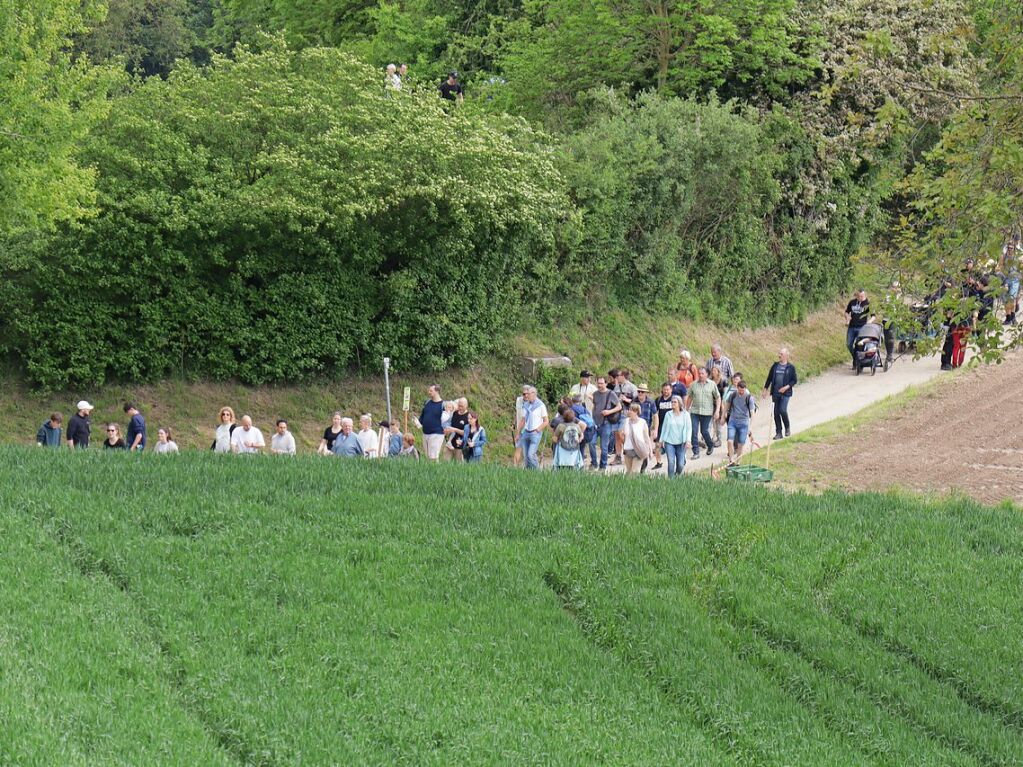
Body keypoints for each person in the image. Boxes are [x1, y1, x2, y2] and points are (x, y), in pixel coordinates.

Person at [763, 347, 797, 439]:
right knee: (776, 412)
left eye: (781, 354)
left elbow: (794, 380)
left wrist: (786, 387)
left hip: (785, 393)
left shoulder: (790, 367)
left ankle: (787, 427)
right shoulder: (775, 366)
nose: (779, 355)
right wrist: (765, 389)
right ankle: (778, 433)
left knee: (782, 410)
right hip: (775, 393)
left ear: (786, 355)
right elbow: (769, 378)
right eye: (779, 353)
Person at [686, 367, 720, 459]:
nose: (700, 375)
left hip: (707, 412)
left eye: (702, 373)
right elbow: (690, 397)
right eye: (699, 373)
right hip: (695, 412)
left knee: (704, 431)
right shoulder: (693, 385)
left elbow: (717, 397)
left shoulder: (712, 384)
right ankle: (696, 452)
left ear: (707, 375)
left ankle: (710, 444)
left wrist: (717, 410)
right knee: (694, 431)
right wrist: (686, 410)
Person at [591, 376, 621, 471]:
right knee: (591, 443)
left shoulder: (611, 394)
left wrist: (609, 412)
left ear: (606, 384)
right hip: (595, 423)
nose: (599, 385)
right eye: (598, 383)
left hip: (606, 423)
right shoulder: (595, 394)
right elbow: (595, 406)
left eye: (601, 383)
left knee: (604, 447)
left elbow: (619, 406)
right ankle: (594, 463)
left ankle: (602, 466)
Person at [658, 396, 692, 478]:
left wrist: (688, 440)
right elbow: (664, 428)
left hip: (681, 443)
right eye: (672, 402)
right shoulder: (668, 414)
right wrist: (661, 440)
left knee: (680, 465)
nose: (672, 403)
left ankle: (676, 475)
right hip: (669, 442)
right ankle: (671, 480)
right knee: (671, 462)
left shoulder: (686, 415)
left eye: (675, 402)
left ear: (679, 404)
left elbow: (688, 428)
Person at [724, 380, 756, 465]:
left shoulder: (749, 398)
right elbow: (727, 404)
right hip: (733, 421)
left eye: (743, 390)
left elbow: (752, 413)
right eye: (740, 390)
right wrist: (724, 414)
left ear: (745, 389)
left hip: (744, 423)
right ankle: (731, 460)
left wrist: (751, 427)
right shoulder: (733, 395)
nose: (741, 392)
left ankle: (738, 462)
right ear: (737, 388)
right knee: (730, 441)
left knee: (741, 444)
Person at [517, 385, 549, 470]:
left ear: (534, 394)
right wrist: (518, 433)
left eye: (528, 394)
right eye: (525, 394)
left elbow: (546, 421)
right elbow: (523, 420)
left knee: (531, 454)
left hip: (535, 433)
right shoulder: (526, 405)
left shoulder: (541, 405)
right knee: (526, 456)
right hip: (526, 432)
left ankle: (538, 472)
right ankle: (529, 474)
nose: (526, 396)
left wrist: (538, 429)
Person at [622, 403, 653, 475]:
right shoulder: (626, 422)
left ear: (636, 412)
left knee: (634, 472)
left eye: (631, 410)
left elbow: (646, 438)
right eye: (629, 410)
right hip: (628, 449)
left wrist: (650, 451)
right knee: (628, 471)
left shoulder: (642, 422)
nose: (629, 412)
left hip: (639, 450)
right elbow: (623, 436)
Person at [845, 289, 872, 368]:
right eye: (858, 296)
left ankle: (858, 363)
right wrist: (847, 318)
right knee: (849, 344)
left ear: (865, 295)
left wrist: (869, 322)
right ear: (856, 296)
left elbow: (873, 316)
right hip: (852, 326)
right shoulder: (852, 302)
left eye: (862, 296)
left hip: (862, 327)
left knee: (858, 345)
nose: (860, 298)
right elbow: (846, 311)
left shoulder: (868, 304)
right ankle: (856, 358)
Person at [419, 384, 445, 461]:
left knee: (433, 457)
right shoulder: (427, 403)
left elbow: (446, 420)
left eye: (431, 391)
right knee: (428, 457)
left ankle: (435, 471)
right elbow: (423, 415)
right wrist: (418, 422)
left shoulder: (443, 405)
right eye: (429, 390)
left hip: (437, 433)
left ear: (437, 391)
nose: (429, 392)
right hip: (425, 433)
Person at [635, 384, 657, 472]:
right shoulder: (634, 401)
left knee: (644, 448)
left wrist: (655, 429)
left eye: (642, 392)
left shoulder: (650, 402)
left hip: (645, 428)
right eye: (639, 391)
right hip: (635, 428)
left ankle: (643, 468)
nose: (640, 393)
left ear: (645, 393)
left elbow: (655, 416)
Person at [512, 384, 529, 467]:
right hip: (519, 429)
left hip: (529, 429)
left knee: (528, 450)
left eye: (527, 393)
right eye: (523, 394)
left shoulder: (533, 402)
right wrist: (514, 423)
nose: (525, 395)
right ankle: (515, 467)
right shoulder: (519, 400)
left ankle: (527, 467)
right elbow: (517, 413)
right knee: (518, 448)